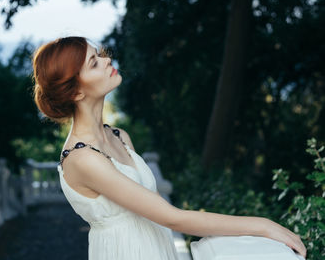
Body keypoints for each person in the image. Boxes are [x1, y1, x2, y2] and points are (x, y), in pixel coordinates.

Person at [31, 36, 307, 260]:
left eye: (99, 54)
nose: (107, 60)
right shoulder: (82, 159)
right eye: (94, 63)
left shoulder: (119, 136)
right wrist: (263, 225)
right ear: (76, 92)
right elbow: (172, 217)